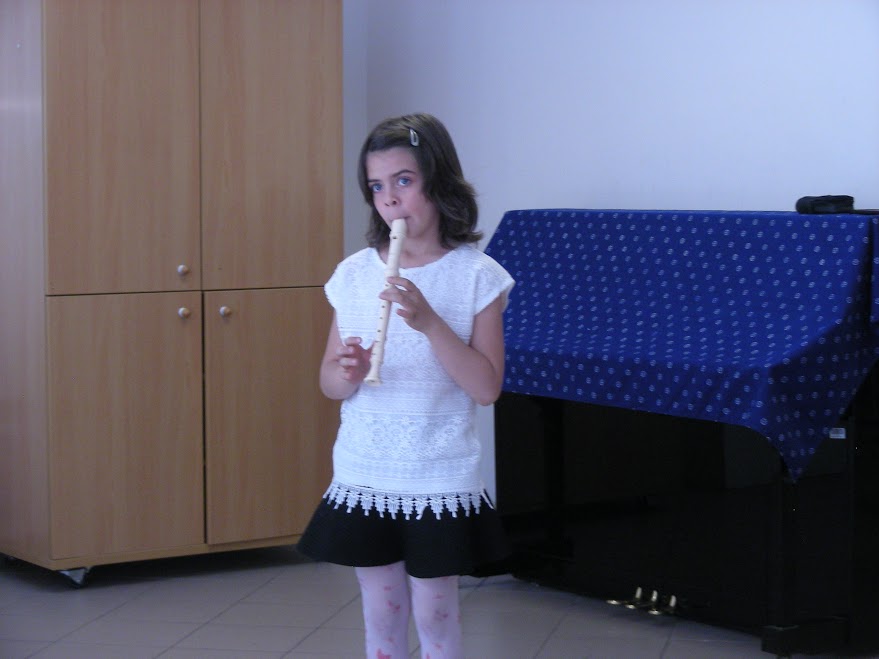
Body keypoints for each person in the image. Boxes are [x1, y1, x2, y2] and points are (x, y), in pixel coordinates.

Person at [297, 113, 515, 659]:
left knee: (435, 613)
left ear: (438, 182)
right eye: (376, 186)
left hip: (437, 471)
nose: (390, 198)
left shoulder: (476, 276)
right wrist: (346, 371)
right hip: (367, 467)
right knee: (381, 611)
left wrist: (430, 323)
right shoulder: (353, 275)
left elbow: (486, 388)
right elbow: (329, 384)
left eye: (403, 180)